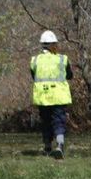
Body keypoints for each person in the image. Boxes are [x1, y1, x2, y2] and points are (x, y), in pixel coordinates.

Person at [31, 30, 72, 159]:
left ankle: (47, 146)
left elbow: (34, 76)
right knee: (59, 121)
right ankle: (59, 145)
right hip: (59, 97)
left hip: (42, 97)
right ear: (53, 44)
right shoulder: (62, 59)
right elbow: (69, 75)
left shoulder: (35, 60)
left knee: (46, 121)